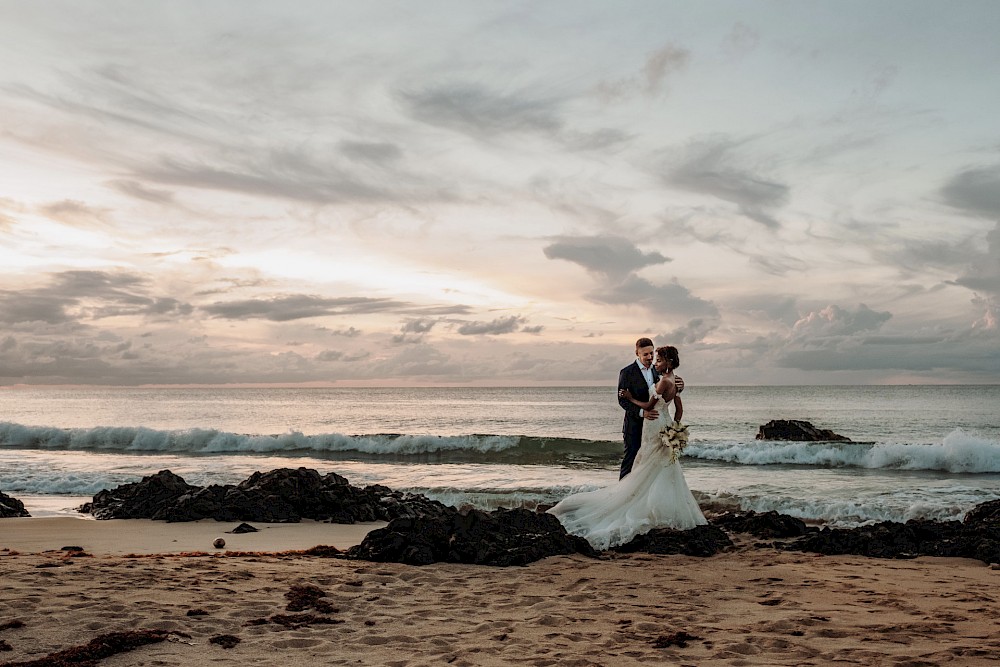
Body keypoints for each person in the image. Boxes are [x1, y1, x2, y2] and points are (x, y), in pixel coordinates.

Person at [548, 345, 706, 550]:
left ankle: (632, 503)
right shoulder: (628, 372)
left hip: (654, 424)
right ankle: (630, 497)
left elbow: (654, 402)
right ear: (638, 354)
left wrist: (633, 397)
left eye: (655, 356)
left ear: (666, 361)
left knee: (649, 464)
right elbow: (672, 406)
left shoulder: (667, 379)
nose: (651, 359)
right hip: (646, 424)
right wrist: (674, 426)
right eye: (647, 355)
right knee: (639, 462)